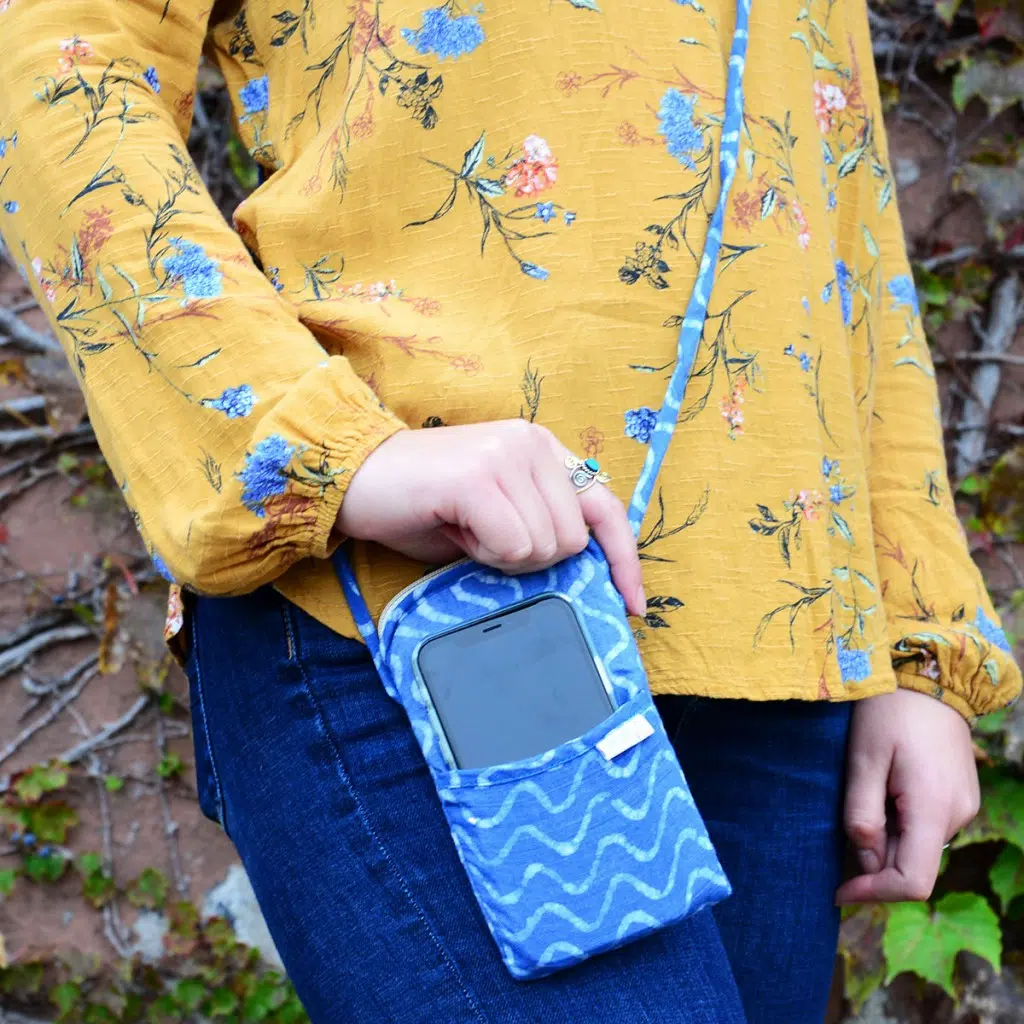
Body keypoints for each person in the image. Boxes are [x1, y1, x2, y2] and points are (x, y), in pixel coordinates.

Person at [1, 0, 1019, 1020]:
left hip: (778, 657)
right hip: (425, 606)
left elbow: (836, 183)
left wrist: (915, 635)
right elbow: (51, 59)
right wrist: (317, 445)